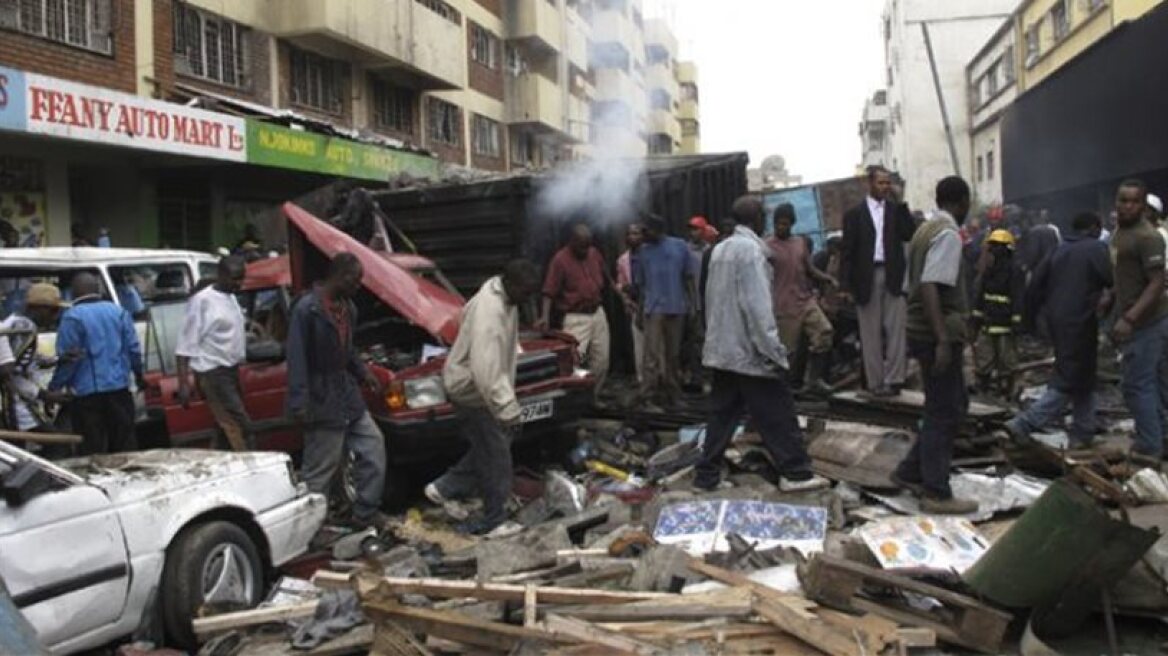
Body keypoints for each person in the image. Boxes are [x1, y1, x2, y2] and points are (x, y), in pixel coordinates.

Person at [696, 195, 829, 493]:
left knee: (722, 414)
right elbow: (758, 308)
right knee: (779, 411)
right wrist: (773, 349)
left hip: (723, 348)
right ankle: (795, 473)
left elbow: (711, 300)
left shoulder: (720, 250)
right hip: (750, 352)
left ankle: (706, 476)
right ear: (758, 219)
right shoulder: (752, 253)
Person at [425, 260, 542, 535]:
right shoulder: (491, 310)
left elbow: (499, 348)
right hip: (472, 391)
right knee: (497, 454)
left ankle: (444, 487)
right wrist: (508, 409)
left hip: (475, 387)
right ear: (511, 284)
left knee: (489, 447)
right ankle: (494, 520)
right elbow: (486, 368)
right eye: (526, 291)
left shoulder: (504, 299)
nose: (529, 298)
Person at [892, 176, 978, 515]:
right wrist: (943, 338)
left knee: (947, 404)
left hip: (920, 329)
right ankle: (936, 491)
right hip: (935, 333)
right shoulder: (947, 235)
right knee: (945, 409)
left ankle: (911, 471)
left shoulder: (922, 231)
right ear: (962, 201)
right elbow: (930, 285)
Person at [286, 252, 387, 528]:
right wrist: (299, 402)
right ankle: (308, 530)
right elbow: (296, 357)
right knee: (320, 470)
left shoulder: (348, 309)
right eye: (355, 280)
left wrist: (364, 373)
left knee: (373, 446)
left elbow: (348, 350)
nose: (358, 286)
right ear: (340, 276)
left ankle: (365, 512)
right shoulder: (307, 309)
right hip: (321, 397)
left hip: (346, 394)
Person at [1003, 212, 1112, 446]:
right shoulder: (1095, 248)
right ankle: (1025, 423)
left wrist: (1032, 320)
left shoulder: (1058, 250)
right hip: (1081, 321)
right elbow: (1112, 279)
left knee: (1083, 376)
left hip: (1057, 321)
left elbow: (1034, 288)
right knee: (1069, 378)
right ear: (1094, 228)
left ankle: (1083, 432)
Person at [840, 166, 917, 396]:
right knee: (869, 332)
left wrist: (902, 203)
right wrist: (845, 286)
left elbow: (909, 233)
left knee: (896, 329)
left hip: (893, 274)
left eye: (887, 183)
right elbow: (847, 252)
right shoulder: (854, 215)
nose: (885, 187)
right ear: (870, 184)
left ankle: (895, 380)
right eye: (881, 183)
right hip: (866, 276)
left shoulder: (895, 211)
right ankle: (875, 383)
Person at [48, 273, 144, 455]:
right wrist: (139, 375)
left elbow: (69, 359)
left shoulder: (72, 317)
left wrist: (55, 387)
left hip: (86, 396)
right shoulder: (119, 312)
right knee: (125, 444)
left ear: (74, 292)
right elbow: (133, 349)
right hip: (119, 390)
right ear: (98, 289)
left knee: (93, 448)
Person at [1110, 179, 1168, 459]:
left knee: (1138, 384)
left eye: (1133, 201)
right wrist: (1109, 296)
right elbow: (1123, 273)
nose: (1127, 206)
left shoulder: (1148, 237)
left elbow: (1156, 283)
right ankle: (1159, 437)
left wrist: (1130, 319)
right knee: (1152, 383)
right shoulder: (1120, 232)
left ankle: (1149, 445)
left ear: (1144, 206)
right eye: (1122, 200)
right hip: (1136, 319)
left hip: (1149, 322)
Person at [175, 256, 252, 451]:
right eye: (234, 278)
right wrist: (183, 382)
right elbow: (185, 345)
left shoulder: (231, 297)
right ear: (221, 275)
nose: (239, 283)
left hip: (231, 369)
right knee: (240, 424)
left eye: (241, 278)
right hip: (213, 372)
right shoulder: (202, 301)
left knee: (224, 425)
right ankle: (252, 468)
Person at [766, 203, 837, 394]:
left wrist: (827, 278)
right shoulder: (766, 247)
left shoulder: (800, 243)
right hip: (783, 305)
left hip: (805, 300)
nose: (782, 228)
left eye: (786, 224)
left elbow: (809, 269)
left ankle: (813, 380)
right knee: (787, 351)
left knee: (824, 332)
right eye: (778, 224)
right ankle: (781, 389)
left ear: (792, 224)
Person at [539, 224, 611, 399]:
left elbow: (606, 275)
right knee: (574, 361)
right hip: (575, 316)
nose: (585, 250)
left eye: (588, 245)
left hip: (597, 312)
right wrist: (544, 317)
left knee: (601, 361)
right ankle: (576, 401)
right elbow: (549, 291)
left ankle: (592, 397)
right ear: (572, 242)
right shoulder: (560, 260)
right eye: (581, 246)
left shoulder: (594, 253)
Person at [633, 215, 697, 409]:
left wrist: (693, 304)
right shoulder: (642, 252)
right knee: (651, 356)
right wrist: (639, 311)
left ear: (658, 230)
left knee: (673, 354)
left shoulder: (679, 246)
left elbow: (688, 278)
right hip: (653, 308)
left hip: (676, 305)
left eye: (647, 231)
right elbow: (641, 285)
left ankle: (673, 394)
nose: (643, 234)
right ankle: (647, 396)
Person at [0, 284, 68, 436]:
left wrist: (58, 359)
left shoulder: (16, 322)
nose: (55, 316)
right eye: (53, 311)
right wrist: (44, 395)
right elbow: (12, 373)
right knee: (54, 444)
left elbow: (29, 360)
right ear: (39, 309)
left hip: (20, 400)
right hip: (16, 402)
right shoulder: (24, 328)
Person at [971, 230, 1025, 398]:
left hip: (1006, 322)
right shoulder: (988, 271)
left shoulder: (1015, 271)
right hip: (989, 320)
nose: (994, 250)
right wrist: (976, 317)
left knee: (1006, 359)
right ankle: (983, 388)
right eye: (992, 246)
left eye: (997, 247)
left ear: (1007, 249)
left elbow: (1018, 296)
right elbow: (980, 296)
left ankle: (1006, 391)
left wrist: (1017, 320)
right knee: (984, 357)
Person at [616, 223, 645, 382]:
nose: (633, 237)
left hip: (653, 306)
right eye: (631, 234)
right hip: (635, 306)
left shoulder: (650, 254)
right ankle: (642, 379)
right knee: (639, 345)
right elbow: (620, 284)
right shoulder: (622, 260)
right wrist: (627, 301)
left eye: (637, 233)